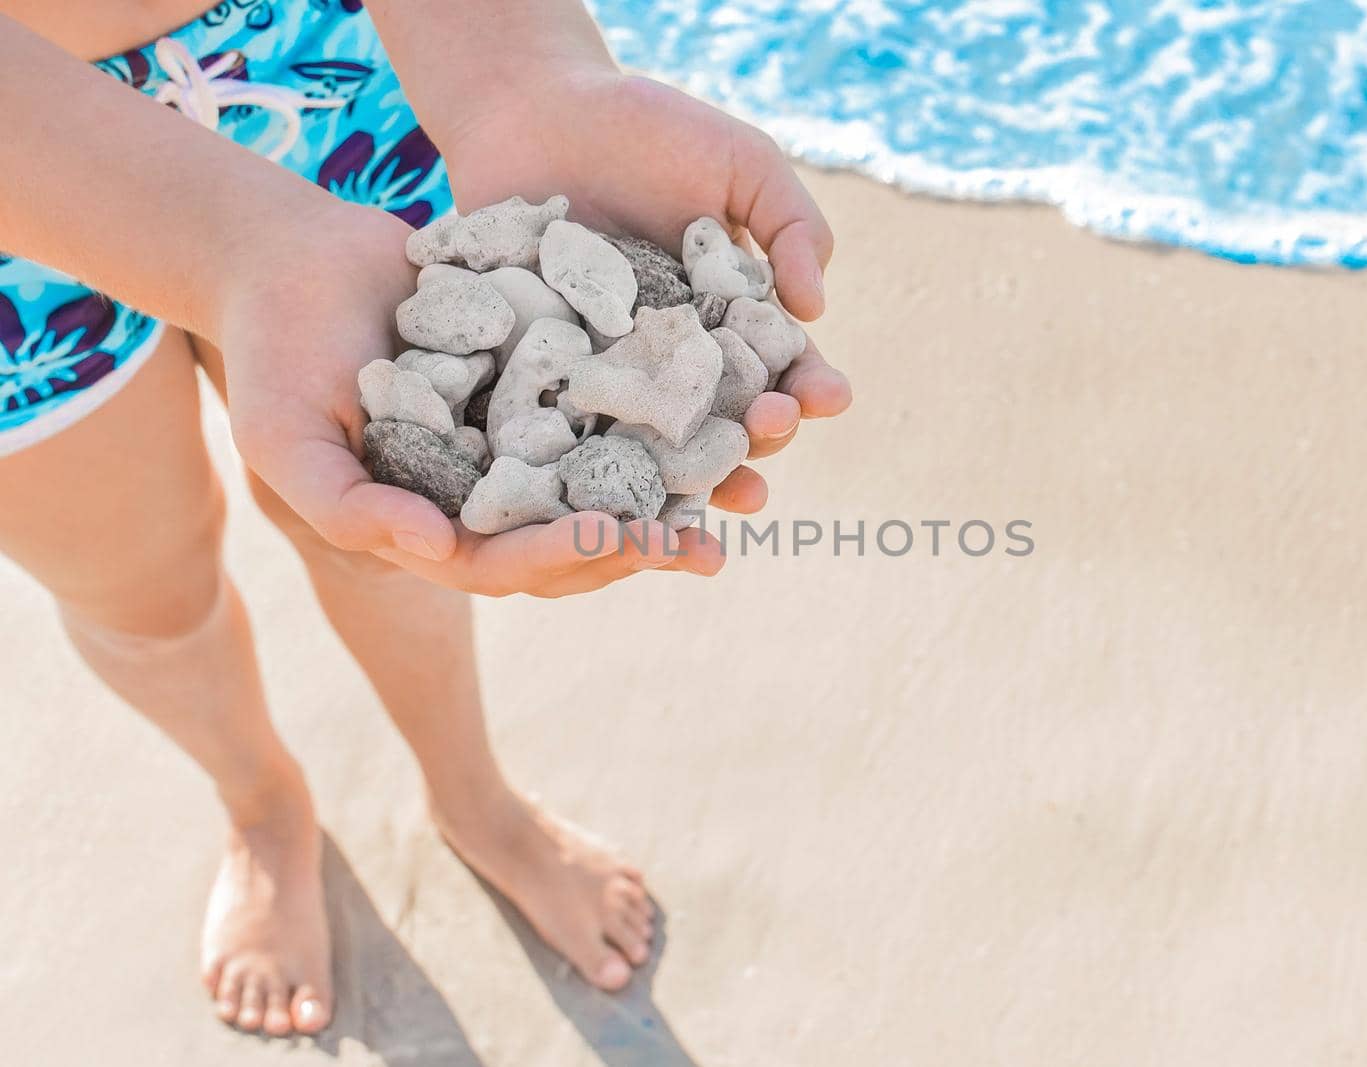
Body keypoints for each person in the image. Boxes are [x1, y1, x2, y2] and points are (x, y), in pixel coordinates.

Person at [0, 0, 850, 1038]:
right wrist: (229, 246)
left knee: (386, 530)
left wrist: (526, 78)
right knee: (140, 589)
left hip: (311, 54)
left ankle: (471, 794)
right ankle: (261, 804)